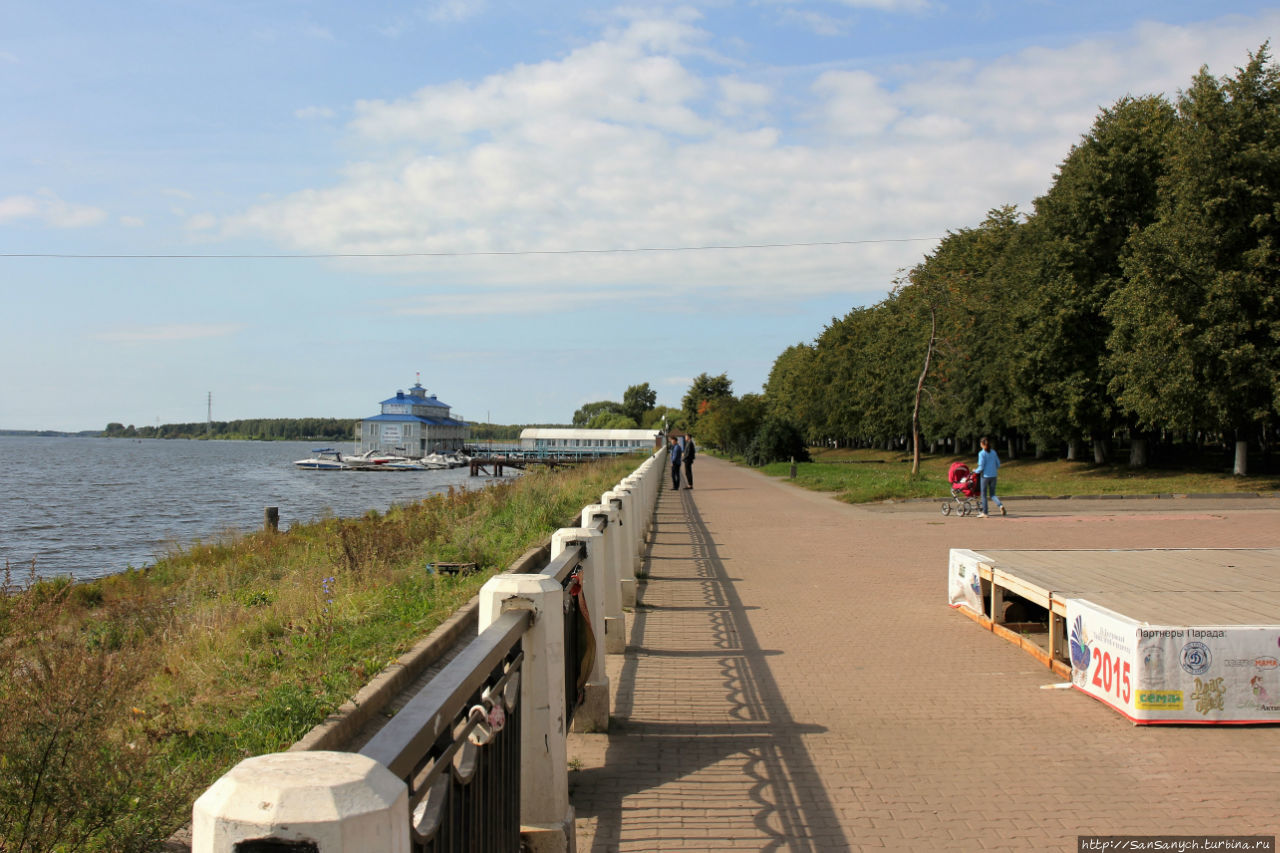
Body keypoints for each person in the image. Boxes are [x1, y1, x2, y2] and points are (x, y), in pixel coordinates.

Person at [975, 436, 1005, 518]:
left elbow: (981, 467)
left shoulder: (981, 453)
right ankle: (1000, 505)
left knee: (983, 495)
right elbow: (998, 464)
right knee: (992, 494)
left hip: (985, 476)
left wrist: (975, 471)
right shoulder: (993, 452)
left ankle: (985, 512)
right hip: (994, 475)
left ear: (982, 444)